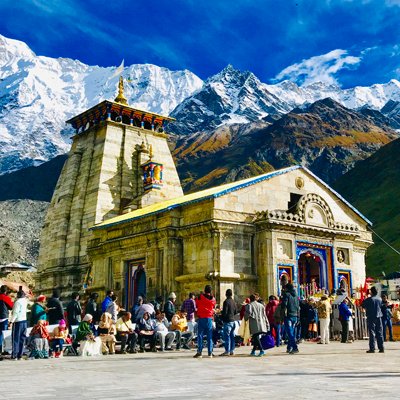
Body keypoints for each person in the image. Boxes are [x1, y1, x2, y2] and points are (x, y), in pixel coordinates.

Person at [193, 285, 216, 358]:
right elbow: (213, 306)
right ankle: (210, 353)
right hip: (209, 318)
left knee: (200, 335)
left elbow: (196, 304)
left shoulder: (200, 297)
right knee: (209, 336)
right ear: (210, 291)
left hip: (201, 318)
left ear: (204, 290)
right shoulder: (213, 299)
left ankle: (199, 352)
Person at [362, 286, 384, 353]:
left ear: (371, 291)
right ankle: (381, 348)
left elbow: (363, 305)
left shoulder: (369, 299)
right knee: (380, 332)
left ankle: (372, 348)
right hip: (379, 316)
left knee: (372, 333)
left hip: (371, 317)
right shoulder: (379, 299)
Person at [9, 288, 28, 360]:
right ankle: (20, 354)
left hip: (18, 322)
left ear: (18, 295)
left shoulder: (18, 302)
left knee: (16, 338)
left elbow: (15, 313)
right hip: (24, 321)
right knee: (22, 338)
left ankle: (14, 355)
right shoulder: (25, 301)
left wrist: (11, 321)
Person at [282, 283, 300, 354]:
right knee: (291, 333)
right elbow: (298, 307)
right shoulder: (296, 296)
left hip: (288, 316)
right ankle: (289, 347)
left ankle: (295, 348)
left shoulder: (287, 295)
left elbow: (284, 305)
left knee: (290, 333)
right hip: (295, 316)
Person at [220, 289, 237, 356]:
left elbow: (225, 312)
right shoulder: (233, 302)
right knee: (232, 336)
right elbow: (235, 311)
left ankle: (227, 350)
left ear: (226, 294)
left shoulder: (226, 302)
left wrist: (221, 315)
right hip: (233, 321)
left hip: (227, 321)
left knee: (227, 337)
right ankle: (232, 350)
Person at [0, 285, 13, 355]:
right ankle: (1, 350)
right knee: (2, 334)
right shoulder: (5, 297)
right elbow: (11, 306)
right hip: (3, 317)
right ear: (5, 291)